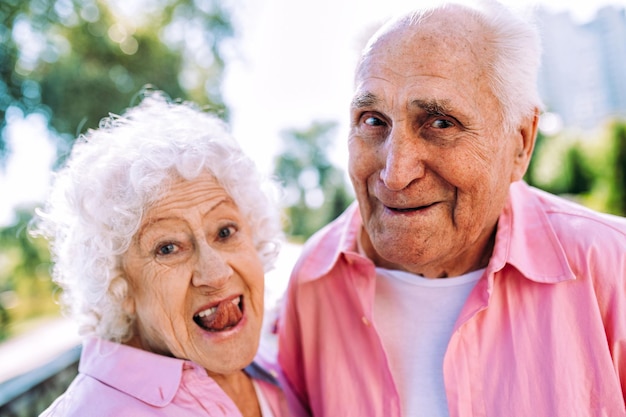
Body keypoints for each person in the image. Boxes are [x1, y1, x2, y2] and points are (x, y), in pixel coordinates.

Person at [277, 2, 626, 416]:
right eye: (373, 121)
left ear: (521, 142)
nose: (394, 173)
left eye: (440, 123)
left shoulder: (611, 265)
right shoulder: (315, 277)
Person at [35, 91, 288, 416]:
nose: (215, 273)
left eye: (225, 232)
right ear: (118, 285)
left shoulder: (276, 371)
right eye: (168, 248)